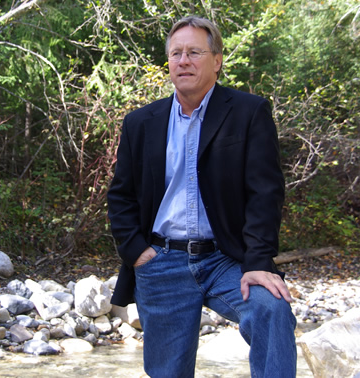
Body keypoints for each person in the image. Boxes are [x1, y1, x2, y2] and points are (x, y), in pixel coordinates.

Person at [107, 16, 297, 378]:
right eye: (176, 53)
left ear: (217, 60)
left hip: (226, 258)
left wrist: (258, 261)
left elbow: (265, 191)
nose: (184, 61)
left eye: (195, 52)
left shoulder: (248, 112)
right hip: (161, 261)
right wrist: (135, 251)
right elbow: (121, 195)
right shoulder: (141, 123)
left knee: (271, 309)